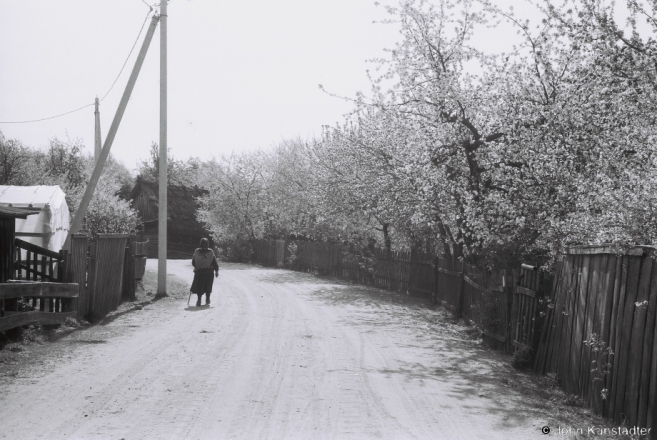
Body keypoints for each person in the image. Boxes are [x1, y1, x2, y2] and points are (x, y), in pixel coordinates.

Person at [190, 238, 219, 306]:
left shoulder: (206, 252)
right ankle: (203, 300)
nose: (204, 246)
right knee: (204, 286)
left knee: (204, 286)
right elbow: (214, 262)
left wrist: (197, 266)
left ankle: (202, 300)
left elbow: (193, 262)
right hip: (205, 272)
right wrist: (216, 271)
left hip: (203, 272)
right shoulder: (198, 251)